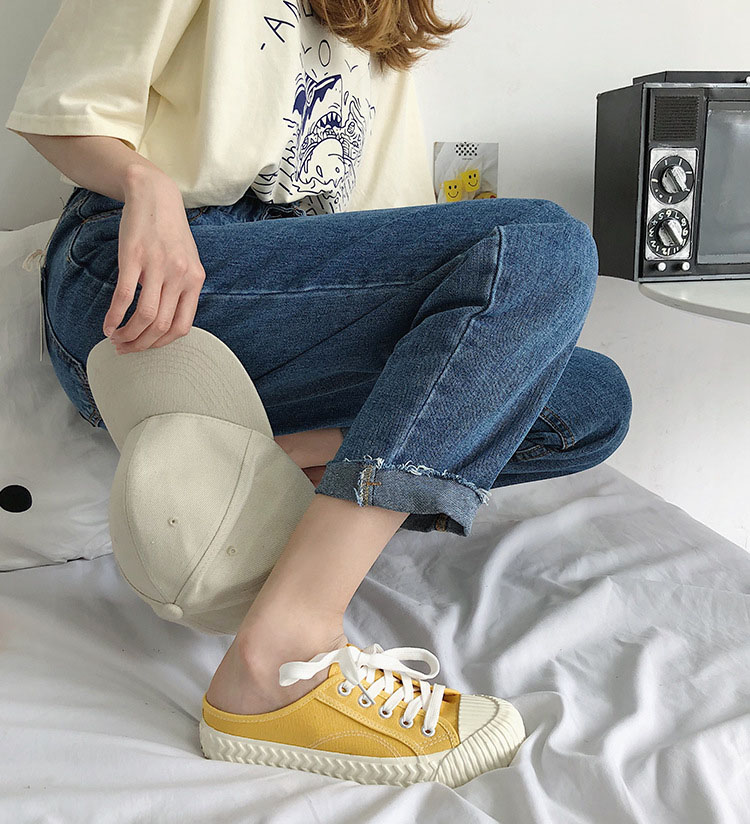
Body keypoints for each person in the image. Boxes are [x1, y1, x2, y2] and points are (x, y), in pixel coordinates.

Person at [6, 0, 632, 786]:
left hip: (295, 294)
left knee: (593, 401)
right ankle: (281, 657)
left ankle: (279, 464)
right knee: (543, 242)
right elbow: (60, 106)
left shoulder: (383, 23)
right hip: (142, 268)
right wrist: (146, 183)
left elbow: (383, 222)